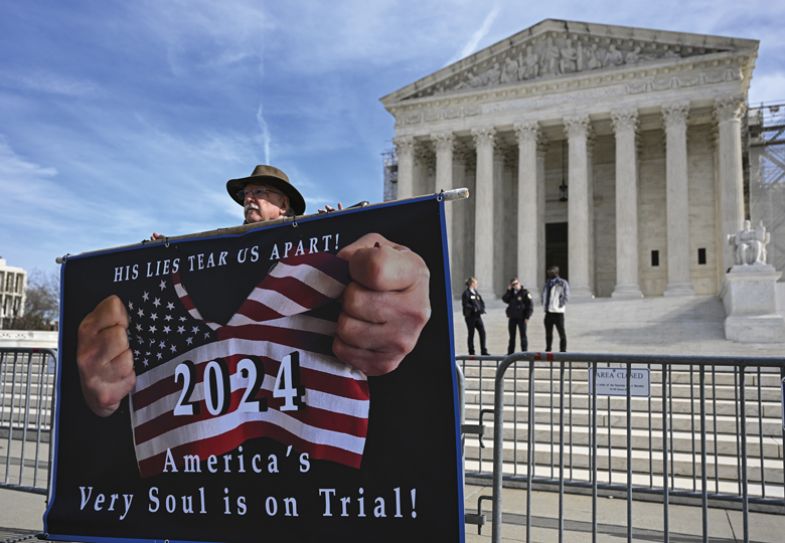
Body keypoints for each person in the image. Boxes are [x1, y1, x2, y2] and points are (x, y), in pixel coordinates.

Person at [76, 164, 432, 417]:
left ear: (285, 205)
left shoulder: (315, 243)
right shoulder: (222, 248)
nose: (250, 199)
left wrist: (342, 230)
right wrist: (162, 254)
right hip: (227, 398)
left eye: (261, 192)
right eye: (247, 194)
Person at [541, 266, 569, 352]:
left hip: (558, 312)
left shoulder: (562, 283)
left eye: (551, 271)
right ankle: (548, 349)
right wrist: (544, 304)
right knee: (548, 333)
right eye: (549, 271)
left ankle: (563, 351)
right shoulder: (547, 283)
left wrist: (560, 304)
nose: (549, 273)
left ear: (556, 272)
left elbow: (566, 295)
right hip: (548, 312)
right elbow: (544, 295)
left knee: (562, 333)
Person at [502, 277, 533, 355]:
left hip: (522, 317)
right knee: (512, 336)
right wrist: (508, 290)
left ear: (519, 283)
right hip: (512, 317)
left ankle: (524, 352)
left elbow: (530, 305)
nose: (515, 286)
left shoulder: (525, 292)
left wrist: (527, 317)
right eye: (513, 285)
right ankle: (510, 353)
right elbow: (505, 299)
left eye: (516, 284)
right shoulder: (511, 293)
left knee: (523, 335)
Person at [461, 276, 489, 356]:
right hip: (470, 317)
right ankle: (471, 351)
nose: (477, 284)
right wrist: (474, 308)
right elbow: (465, 304)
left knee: (482, 332)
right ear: (472, 283)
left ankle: (484, 351)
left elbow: (481, 302)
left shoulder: (476, 293)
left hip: (477, 316)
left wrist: (482, 308)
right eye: (476, 283)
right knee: (471, 333)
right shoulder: (466, 293)